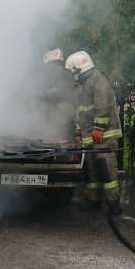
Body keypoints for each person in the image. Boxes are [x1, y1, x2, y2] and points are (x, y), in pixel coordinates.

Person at [64, 51, 122, 215]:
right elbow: (79, 113)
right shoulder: (80, 85)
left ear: (78, 68)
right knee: (91, 169)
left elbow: (103, 105)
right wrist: (78, 132)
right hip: (89, 137)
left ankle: (114, 203)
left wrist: (99, 128)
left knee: (107, 168)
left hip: (104, 135)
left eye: (71, 71)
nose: (71, 75)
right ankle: (93, 199)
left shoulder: (98, 78)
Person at [41, 48, 77, 141]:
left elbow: (53, 95)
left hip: (61, 113)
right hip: (68, 113)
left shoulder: (55, 71)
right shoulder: (64, 72)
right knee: (65, 145)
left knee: (60, 145)